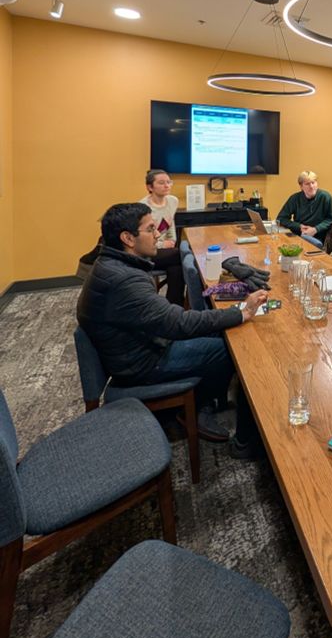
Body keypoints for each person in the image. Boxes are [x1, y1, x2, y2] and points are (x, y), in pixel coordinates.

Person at [77, 201, 268, 450]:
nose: (158, 234)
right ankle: (199, 407)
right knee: (228, 350)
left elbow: (167, 319)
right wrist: (241, 312)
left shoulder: (114, 265)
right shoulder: (124, 281)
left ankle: (204, 398)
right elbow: (178, 324)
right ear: (127, 238)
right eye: (150, 229)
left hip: (133, 347)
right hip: (142, 363)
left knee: (216, 331)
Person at [140, 169, 184, 304]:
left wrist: (172, 240)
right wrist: (161, 245)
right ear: (150, 187)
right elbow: (142, 239)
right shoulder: (142, 208)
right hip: (146, 251)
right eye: (161, 183)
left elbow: (170, 223)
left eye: (169, 182)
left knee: (177, 268)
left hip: (166, 251)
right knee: (181, 255)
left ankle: (174, 306)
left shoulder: (173, 201)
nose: (167, 186)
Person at [276, 170, 332, 246]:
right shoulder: (295, 198)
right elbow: (281, 218)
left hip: (319, 236)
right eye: (307, 184)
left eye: (313, 182)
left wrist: (315, 229)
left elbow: (331, 218)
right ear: (301, 186)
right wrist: (299, 227)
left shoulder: (326, 197)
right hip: (299, 235)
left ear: (317, 184)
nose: (311, 186)